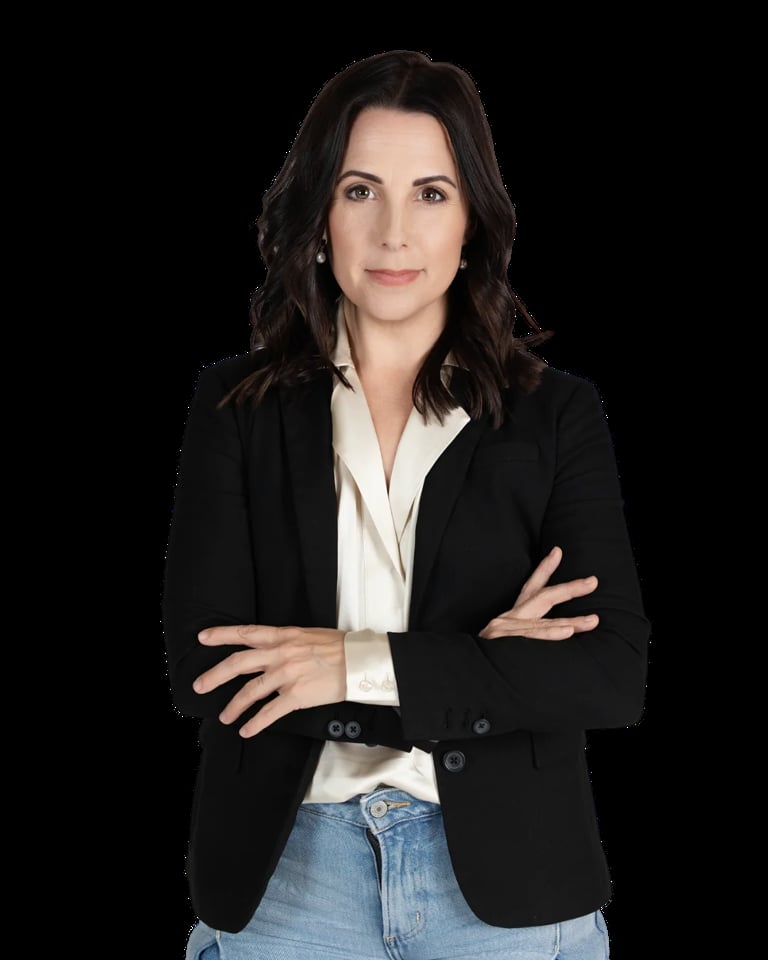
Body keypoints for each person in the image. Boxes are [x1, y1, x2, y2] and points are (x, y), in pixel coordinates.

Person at [163, 49, 650, 960]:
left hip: (510, 884)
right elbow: (206, 669)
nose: (394, 232)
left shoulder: (555, 416)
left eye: (430, 193)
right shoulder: (236, 408)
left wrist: (351, 664)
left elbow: (609, 675)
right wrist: (485, 668)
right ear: (319, 219)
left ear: (472, 224)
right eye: (360, 191)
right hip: (291, 880)